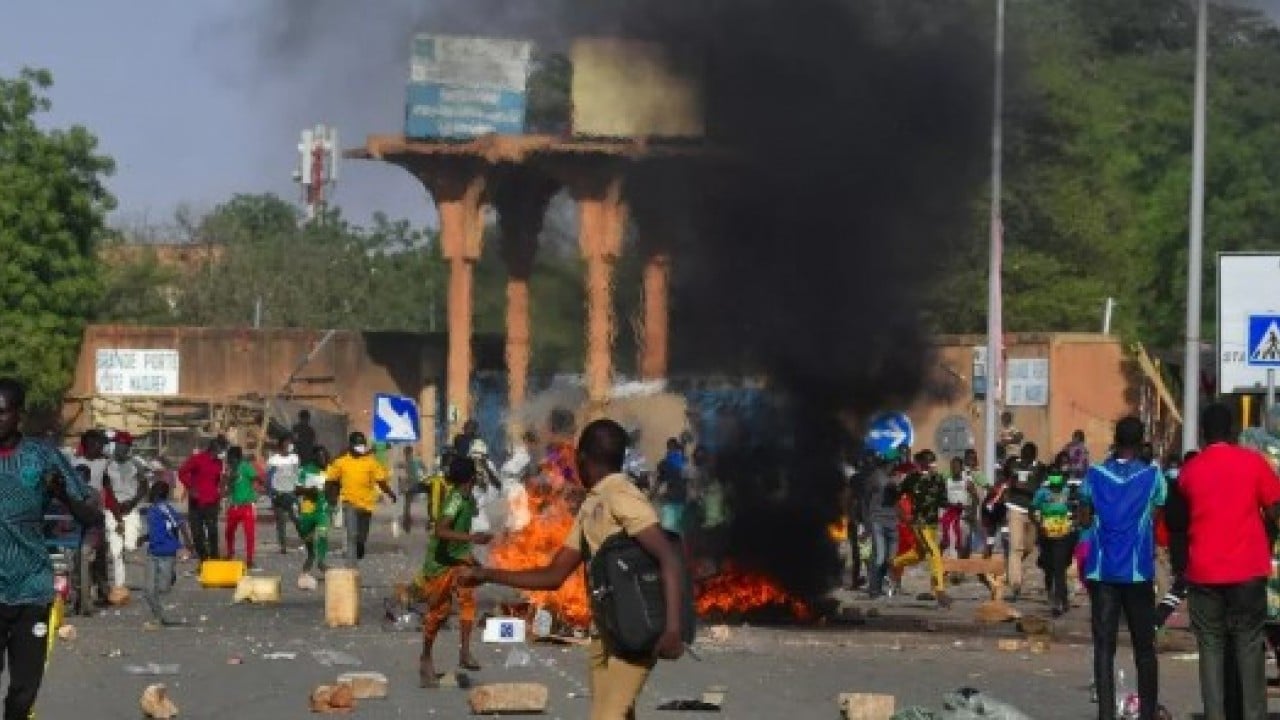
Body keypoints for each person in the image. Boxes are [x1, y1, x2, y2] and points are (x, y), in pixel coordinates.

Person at [461, 419, 685, 720]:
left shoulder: (621, 495)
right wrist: (488, 574)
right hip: (607, 632)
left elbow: (667, 556)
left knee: (606, 717)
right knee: (619, 713)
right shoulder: (592, 504)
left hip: (636, 630)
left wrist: (672, 629)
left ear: (582, 458)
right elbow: (554, 576)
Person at [0, 377, 99, 718]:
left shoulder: (42, 457)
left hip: (31, 586)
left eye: (2, 413)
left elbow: (91, 515)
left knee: (24, 691)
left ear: (19, 415)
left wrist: (62, 494)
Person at [1176, 403, 1280, 720]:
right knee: (1249, 645)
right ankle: (1253, 714)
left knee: (1211, 647)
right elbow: (1276, 508)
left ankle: (1215, 714)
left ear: (1204, 435)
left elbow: (1179, 521)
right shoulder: (1253, 463)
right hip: (1248, 570)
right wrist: (1267, 533)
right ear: (1234, 431)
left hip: (1205, 573)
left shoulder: (1190, 471)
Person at [1079, 416, 1165, 720]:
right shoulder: (1153, 476)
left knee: (1104, 647)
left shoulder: (1095, 475)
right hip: (1137, 571)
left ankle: (1105, 713)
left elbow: (1085, 515)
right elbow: (1157, 508)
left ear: (1115, 440)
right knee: (1144, 648)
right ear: (1142, 441)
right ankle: (1148, 712)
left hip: (1102, 572)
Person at [416, 456, 492, 687]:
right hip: (439, 563)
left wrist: (472, 558)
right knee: (438, 613)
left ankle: (465, 652)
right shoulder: (456, 499)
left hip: (458, 558)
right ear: (470, 477)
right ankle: (426, 657)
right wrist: (473, 538)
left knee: (468, 599)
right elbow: (440, 531)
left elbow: (460, 541)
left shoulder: (468, 499)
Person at [891, 450, 951, 608]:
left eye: (933, 461)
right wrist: (903, 516)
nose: (932, 464)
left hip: (933, 523)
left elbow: (943, 501)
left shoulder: (939, 479)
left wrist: (953, 506)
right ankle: (939, 590)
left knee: (918, 554)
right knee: (934, 552)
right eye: (928, 461)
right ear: (920, 463)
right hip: (919, 522)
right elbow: (895, 497)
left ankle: (893, 563)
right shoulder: (911, 479)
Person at [325, 432, 397, 563]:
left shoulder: (371, 462)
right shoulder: (341, 462)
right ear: (351, 445)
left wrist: (390, 493)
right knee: (351, 535)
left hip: (366, 505)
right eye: (358, 444)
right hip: (349, 503)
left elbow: (381, 481)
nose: (361, 446)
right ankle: (351, 566)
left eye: (363, 444)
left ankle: (360, 546)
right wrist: (330, 497)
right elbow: (331, 481)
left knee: (361, 538)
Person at [68, 428, 110, 606]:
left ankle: (103, 589)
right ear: (88, 445)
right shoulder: (73, 463)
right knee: (72, 558)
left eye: (102, 445)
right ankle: (75, 592)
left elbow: (109, 490)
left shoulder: (104, 464)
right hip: (75, 514)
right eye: (98, 444)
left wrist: (116, 515)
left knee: (100, 555)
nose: (100, 448)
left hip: (96, 514)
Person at [103, 430, 149, 595]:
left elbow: (144, 487)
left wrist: (133, 502)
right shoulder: (107, 465)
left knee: (130, 545)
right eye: (118, 444)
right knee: (116, 551)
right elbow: (106, 488)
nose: (120, 448)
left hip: (131, 509)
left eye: (124, 445)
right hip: (112, 510)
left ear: (128, 447)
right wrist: (115, 507)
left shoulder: (136, 464)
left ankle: (144, 538)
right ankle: (119, 585)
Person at [142, 480, 191, 627]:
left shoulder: (166, 510)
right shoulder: (151, 511)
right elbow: (155, 531)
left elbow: (180, 524)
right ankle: (159, 616)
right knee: (149, 590)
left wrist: (187, 544)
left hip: (167, 553)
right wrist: (143, 538)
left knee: (163, 587)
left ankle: (171, 576)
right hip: (153, 553)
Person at [1004, 442, 1046, 601]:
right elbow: (1007, 476)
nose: (1025, 459)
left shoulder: (1040, 468)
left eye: (1029, 456)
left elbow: (1039, 487)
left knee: (1028, 546)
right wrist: (1013, 484)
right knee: (1016, 547)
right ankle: (1015, 584)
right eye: (1024, 455)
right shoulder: (1015, 464)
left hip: (1033, 511)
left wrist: (1027, 487)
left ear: (1034, 456)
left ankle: (1011, 567)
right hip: (1015, 508)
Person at [1032, 470, 1077, 617]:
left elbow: (1075, 510)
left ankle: (1059, 601)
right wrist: (1039, 525)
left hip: (1063, 535)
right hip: (1046, 534)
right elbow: (1032, 509)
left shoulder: (1067, 492)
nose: (1056, 488)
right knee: (1049, 567)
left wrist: (1072, 523)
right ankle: (1055, 594)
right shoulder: (1041, 493)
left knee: (1059, 568)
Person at [178, 436, 226, 566]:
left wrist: (220, 493)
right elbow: (182, 472)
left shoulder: (219, 463)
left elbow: (217, 481)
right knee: (197, 533)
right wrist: (190, 487)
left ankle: (214, 558)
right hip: (196, 502)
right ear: (215, 448)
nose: (222, 453)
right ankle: (204, 559)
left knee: (212, 531)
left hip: (212, 502)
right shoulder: (197, 459)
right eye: (221, 449)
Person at [863, 450, 902, 599]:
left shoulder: (897, 478)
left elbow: (898, 500)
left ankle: (882, 587)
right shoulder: (876, 477)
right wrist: (866, 520)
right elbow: (865, 499)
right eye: (895, 461)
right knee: (878, 556)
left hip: (893, 521)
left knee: (890, 559)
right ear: (888, 462)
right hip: (877, 520)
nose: (896, 464)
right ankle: (874, 589)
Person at [223, 446, 260, 568]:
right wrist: (228, 479)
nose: (230, 460)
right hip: (233, 506)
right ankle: (230, 553)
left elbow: (256, 477)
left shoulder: (245, 466)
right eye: (229, 458)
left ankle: (249, 559)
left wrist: (255, 491)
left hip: (247, 505)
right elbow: (226, 486)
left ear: (237, 457)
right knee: (229, 532)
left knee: (249, 534)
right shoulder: (229, 469)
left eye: (231, 458)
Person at [297, 446, 331, 575]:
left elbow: (335, 487)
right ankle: (311, 554)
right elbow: (296, 489)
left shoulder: (330, 470)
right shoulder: (305, 471)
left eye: (324, 456)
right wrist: (308, 490)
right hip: (308, 510)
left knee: (323, 534)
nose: (323, 459)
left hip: (323, 510)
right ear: (315, 457)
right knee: (307, 536)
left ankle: (321, 561)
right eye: (320, 457)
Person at [266, 438, 301, 554]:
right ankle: (283, 546)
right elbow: (269, 477)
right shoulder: (274, 460)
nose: (290, 447)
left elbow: (297, 474)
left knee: (297, 519)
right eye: (287, 445)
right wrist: (271, 494)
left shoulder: (294, 458)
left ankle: (306, 541)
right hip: (279, 493)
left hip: (291, 493)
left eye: (290, 444)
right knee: (281, 522)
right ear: (281, 446)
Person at [940, 456, 977, 560]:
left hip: (964, 514)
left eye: (957, 466)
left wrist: (972, 513)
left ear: (961, 468)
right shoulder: (947, 482)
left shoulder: (967, 482)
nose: (954, 468)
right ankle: (951, 565)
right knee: (951, 539)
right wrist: (949, 504)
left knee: (963, 541)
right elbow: (942, 499)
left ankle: (961, 564)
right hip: (951, 513)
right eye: (952, 466)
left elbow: (976, 498)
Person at [655, 438, 689, 535]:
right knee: (678, 532)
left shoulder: (666, 463)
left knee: (670, 532)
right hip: (680, 500)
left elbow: (659, 481)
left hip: (672, 500)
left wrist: (651, 495)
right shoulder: (683, 461)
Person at [398, 445, 429, 534]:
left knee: (407, 503)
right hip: (417, 484)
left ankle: (407, 521)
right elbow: (425, 468)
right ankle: (408, 520)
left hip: (410, 485)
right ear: (412, 452)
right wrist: (423, 476)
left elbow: (399, 469)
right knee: (408, 503)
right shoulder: (417, 461)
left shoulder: (405, 462)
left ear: (405, 453)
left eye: (405, 453)